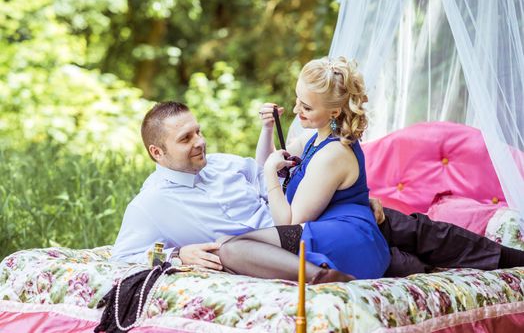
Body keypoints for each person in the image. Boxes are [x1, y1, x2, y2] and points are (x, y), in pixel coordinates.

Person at [111, 100, 524, 279]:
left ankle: (510, 259)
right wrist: (177, 253)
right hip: (276, 246)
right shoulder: (151, 204)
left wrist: (349, 198)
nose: (200, 142)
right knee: (402, 261)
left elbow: (269, 176)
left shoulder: (219, 164)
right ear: (157, 151)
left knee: (407, 225)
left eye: (198, 131)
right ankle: (424, 268)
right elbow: (124, 256)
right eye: (186, 139)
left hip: (302, 223)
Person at [215, 57, 390, 283]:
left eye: (306, 107)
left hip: (347, 242)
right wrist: (268, 129)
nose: (297, 109)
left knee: (230, 249)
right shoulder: (314, 139)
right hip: (323, 232)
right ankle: (319, 275)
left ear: (334, 113)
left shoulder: (332, 154)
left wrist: (271, 174)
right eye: (298, 100)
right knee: (226, 244)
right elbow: (268, 162)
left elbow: (287, 223)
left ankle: (323, 276)